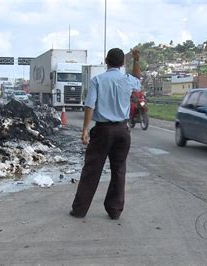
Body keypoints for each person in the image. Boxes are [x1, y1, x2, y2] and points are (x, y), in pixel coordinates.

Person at [70, 48, 141, 220]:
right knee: (119, 170)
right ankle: (115, 210)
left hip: (103, 131)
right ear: (123, 63)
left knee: (92, 169)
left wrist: (85, 129)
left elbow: (90, 105)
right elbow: (138, 79)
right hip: (123, 131)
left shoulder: (97, 81)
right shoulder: (128, 80)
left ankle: (80, 210)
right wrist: (136, 60)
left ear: (106, 61)